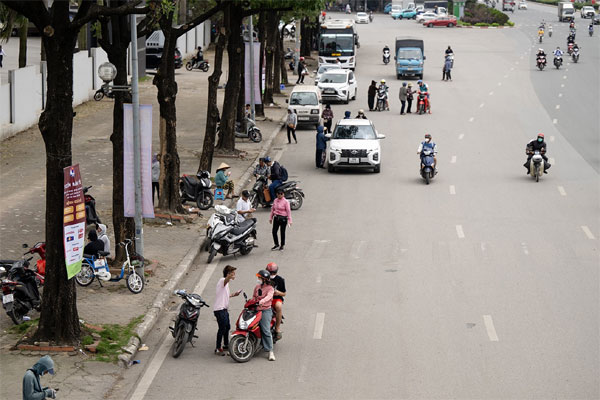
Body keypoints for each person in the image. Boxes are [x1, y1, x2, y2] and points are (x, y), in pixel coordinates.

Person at [213, 265, 241, 356]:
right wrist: (229, 277)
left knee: (227, 327)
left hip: (224, 309)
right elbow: (226, 280)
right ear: (228, 274)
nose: (235, 275)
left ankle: (225, 344)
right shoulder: (222, 280)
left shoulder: (226, 284)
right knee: (222, 328)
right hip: (219, 309)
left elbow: (225, 295)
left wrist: (234, 294)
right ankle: (218, 348)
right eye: (233, 273)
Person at [253, 269, 275, 361]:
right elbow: (254, 297)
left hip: (266, 310)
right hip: (256, 310)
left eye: (260, 278)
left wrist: (261, 301)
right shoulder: (257, 287)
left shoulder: (270, 288)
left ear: (264, 279)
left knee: (266, 330)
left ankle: (270, 351)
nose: (258, 279)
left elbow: (269, 297)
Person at [266, 262, 286, 340]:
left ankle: (277, 327)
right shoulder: (264, 279)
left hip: (276, 298)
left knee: (278, 306)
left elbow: (284, 293)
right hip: (266, 298)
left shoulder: (280, 280)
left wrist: (278, 292)